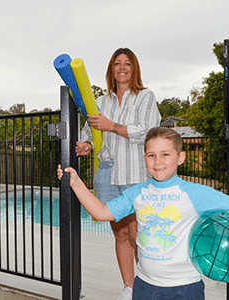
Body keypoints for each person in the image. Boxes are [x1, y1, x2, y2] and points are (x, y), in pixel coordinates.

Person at [58, 127, 229, 300]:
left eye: (165, 154)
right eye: (151, 155)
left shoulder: (194, 193)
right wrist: (76, 184)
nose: (158, 161)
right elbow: (102, 212)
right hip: (144, 286)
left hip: (185, 288)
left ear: (180, 158)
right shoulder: (138, 193)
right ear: (144, 158)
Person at [75, 48, 161, 299]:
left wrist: (111, 126)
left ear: (134, 69)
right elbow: (89, 133)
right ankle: (129, 288)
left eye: (127, 63)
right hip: (108, 174)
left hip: (135, 173)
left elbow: (149, 131)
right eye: (117, 63)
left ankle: (148, 287)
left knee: (138, 235)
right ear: (111, 69)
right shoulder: (100, 102)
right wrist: (85, 145)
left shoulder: (145, 96)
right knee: (120, 233)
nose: (122, 68)